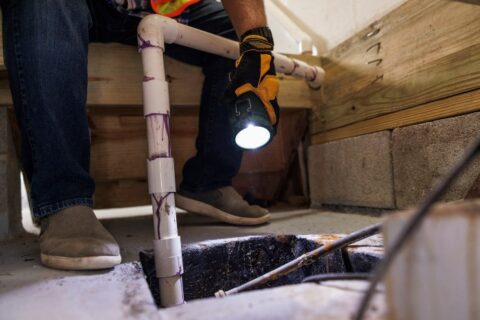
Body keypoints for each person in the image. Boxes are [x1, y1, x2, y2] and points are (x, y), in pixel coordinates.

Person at [0, 0, 280, 270]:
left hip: (162, 4)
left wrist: (258, 45)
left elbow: (251, 39)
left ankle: (208, 181)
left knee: (237, 35)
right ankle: (63, 200)